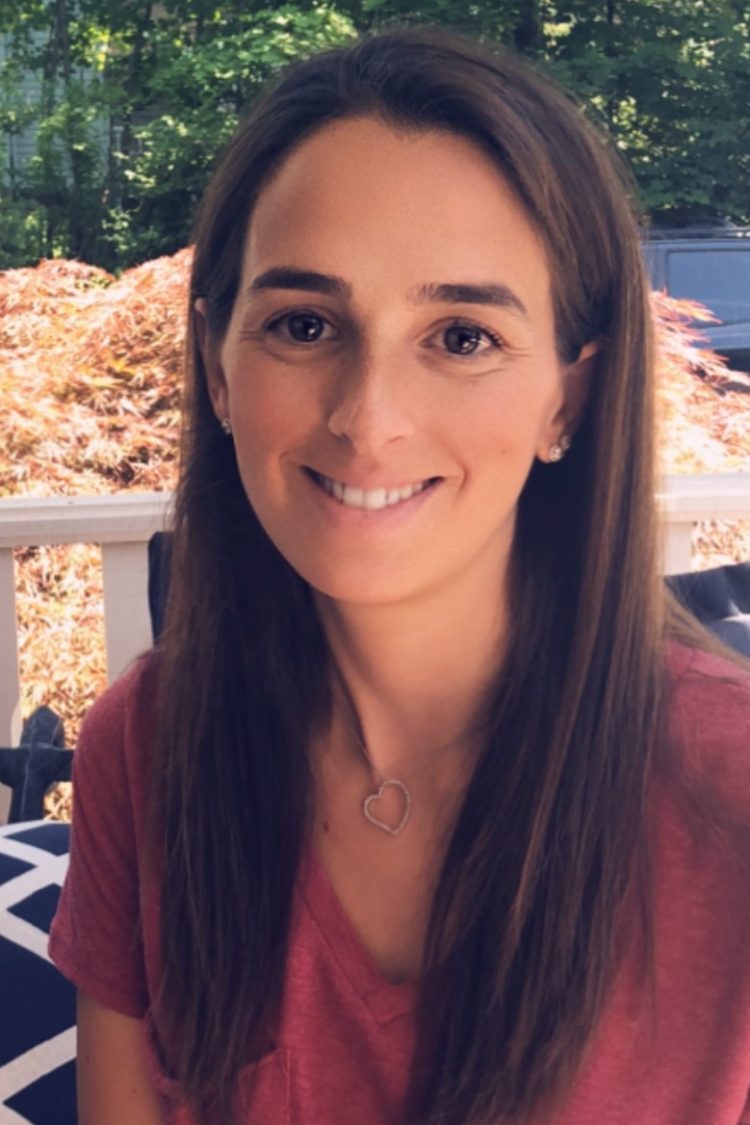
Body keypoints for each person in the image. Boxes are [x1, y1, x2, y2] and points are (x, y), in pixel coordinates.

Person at [49, 24, 750, 1125]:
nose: (367, 418)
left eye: (462, 337)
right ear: (218, 373)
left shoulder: (730, 786)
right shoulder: (149, 744)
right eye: (304, 324)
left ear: (567, 400)